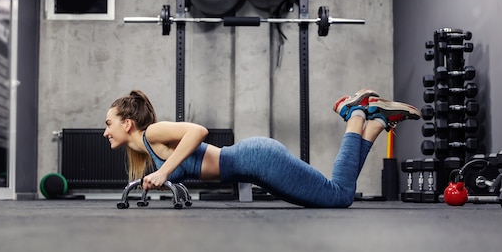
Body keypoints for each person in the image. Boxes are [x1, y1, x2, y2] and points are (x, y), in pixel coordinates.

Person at [103, 89, 420, 208]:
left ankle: (356, 113)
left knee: (339, 196)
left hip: (258, 160)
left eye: (109, 123)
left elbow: (198, 131)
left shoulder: (153, 132)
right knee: (338, 194)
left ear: (127, 123)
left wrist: (164, 171)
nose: (106, 132)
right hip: (255, 165)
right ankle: (376, 123)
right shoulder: (147, 146)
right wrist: (157, 175)